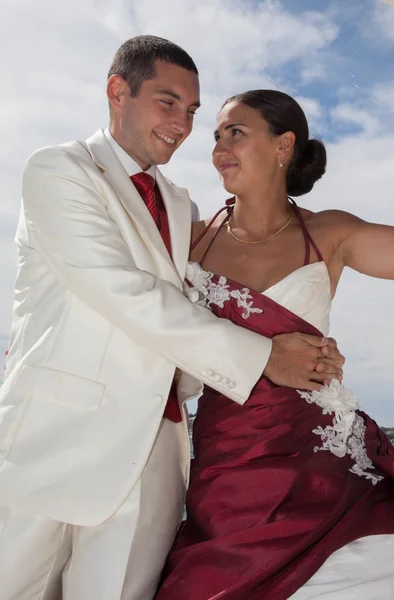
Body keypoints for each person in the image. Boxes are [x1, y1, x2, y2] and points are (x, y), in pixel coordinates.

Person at [0, 38, 343, 600]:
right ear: (118, 92)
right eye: (168, 102)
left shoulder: (183, 209)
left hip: (159, 454)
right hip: (56, 442)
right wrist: (265, 358)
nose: (182, 124)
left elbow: (224, 295)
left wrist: (309, 346)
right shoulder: (60, 171)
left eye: (191, 111)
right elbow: (120, 290)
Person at [156, 90, 394, 600]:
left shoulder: (329, 233)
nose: (220, 147)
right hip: (228, 464)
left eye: (237, 133)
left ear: (283, 144)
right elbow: (142, 316)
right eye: (217, 136)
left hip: (322, 461)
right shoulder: (191, 241)